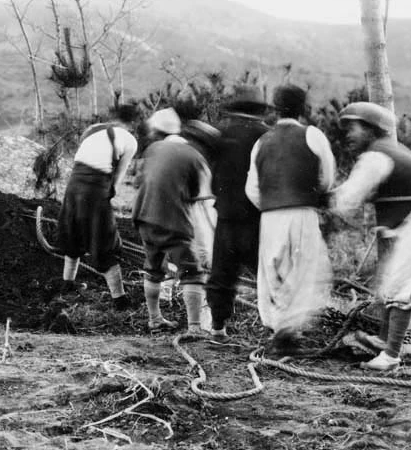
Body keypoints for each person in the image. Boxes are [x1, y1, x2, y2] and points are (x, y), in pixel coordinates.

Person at [331, 101, 411, 372]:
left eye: (353, 128)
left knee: (404, 281)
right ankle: (387, 340)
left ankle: (391, 355)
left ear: (372, 130)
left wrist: (323, 198)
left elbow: (348, 200)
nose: (348, 136)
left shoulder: (376, 156)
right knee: (393, 278)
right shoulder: (387, 152)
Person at [245, 84, 335, 354]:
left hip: (270, 216)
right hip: (301, 212)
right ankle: (288, 333)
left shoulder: (262, 141)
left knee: (273, 271)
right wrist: (309, 195)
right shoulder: (313, 135)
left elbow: (252, 188)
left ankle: (278, 328)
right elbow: (327, 178)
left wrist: (271, 204)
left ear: (275, 109)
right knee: (302, 270)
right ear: (302, 108)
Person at [132, 108, 215, 336]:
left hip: (144, 217)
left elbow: (140, 181)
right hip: (173, 220)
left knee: (153, 268)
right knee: (192, 272)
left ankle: (154, 319)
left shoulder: (152, 149)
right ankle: (195, 327)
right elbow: (203, 196)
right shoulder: (193, 156)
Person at [56, 102, 139, 310]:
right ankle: (120, 300)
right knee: (103, 239)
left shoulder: (93, 134)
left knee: (73, 233)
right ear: (132, 123)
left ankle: (67, 285)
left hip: (74, 185)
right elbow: (117, 178)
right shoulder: (129, 140)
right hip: (95, 187)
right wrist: (108, 200)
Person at [206, 85, 269, 338]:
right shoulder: (267, 135)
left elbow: (211, 176)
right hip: (257, 216)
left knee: (222, 272)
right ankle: (275, 329)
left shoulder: (221, 134)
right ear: (260, 110)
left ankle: (218, 327)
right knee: (265, 273)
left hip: (226, 214)